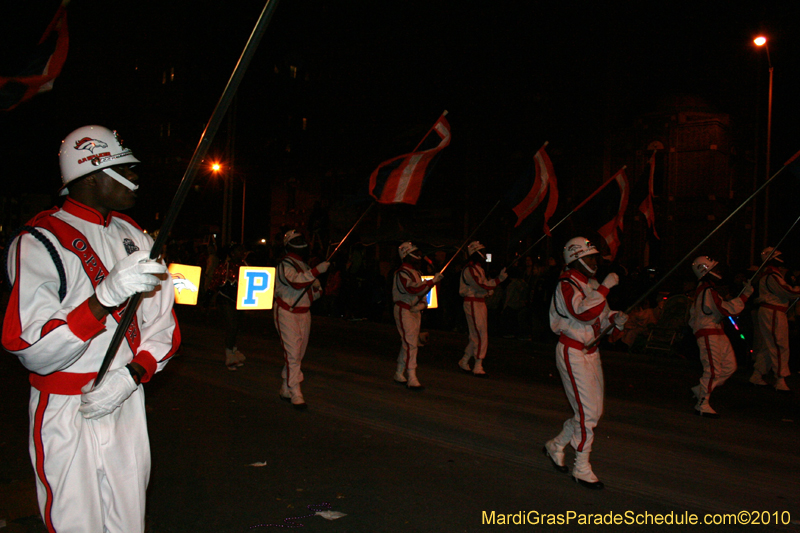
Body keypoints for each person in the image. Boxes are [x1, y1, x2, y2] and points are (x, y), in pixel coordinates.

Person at [2, 125, 180, 532]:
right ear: (94, 175)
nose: (137, 179)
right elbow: (29, 344)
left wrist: (134, 374)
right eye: (127, 169)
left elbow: (163, 326)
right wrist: (104, 297)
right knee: (74, 522)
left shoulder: (136, 236)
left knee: (128, 521)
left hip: (124, 398)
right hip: (66, 408)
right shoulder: (40, 240)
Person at [544, 237, 627, 490]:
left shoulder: (591, 284)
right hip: (572, 352)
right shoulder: (566, 284)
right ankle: (582, 466)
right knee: (588, 413)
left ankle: (557, 445)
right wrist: (605, 289)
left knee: (592, 412)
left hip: (591, 352)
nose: (594, 262)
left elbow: (598, 318)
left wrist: (615, 319)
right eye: (590, 258)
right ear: (575, 259)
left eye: (595, 257)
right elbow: (580, 312)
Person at [688, 256, 753, 418]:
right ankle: (702, 402)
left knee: (729, 366)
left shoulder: (708, 290)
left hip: (716, 331)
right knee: (713, 369)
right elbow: (725, 309)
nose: (718, 272)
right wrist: (744, 297)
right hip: (708, 332)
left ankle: (701, 390)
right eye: (714, 270)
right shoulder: (707, 291)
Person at [273, 230, 329, 408]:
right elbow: (295, 282)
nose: (302, 243)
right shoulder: (284, 265)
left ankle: (285, 386)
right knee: (292, 354)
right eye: (297, 240)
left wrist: (317, 288)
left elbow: (314, 290)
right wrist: (316, 271)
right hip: (287, 312)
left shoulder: (304, 265)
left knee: (297, 354)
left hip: (304, 313)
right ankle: (296, 391)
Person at [392, 242, 443, 390]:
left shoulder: (417, 273)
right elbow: (412, 289)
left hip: (413, 311)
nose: (420, 257)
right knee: (411, 344)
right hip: (404, 310)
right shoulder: (401, 273)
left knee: (410, 342)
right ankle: (411, 376)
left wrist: (422, 304)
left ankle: (399, 372)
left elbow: (421, 293)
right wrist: (432, 281)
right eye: (416, 254)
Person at [750, 247, 800, 391]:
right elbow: (787, 291)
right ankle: (780, 378)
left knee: (769, 345)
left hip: (773, 312)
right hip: (773, 312)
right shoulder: (772, 276)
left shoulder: (772, 275)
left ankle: (757, 374)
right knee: (779, 345)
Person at [458, 241, 507, 375]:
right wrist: (498, 280)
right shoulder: (469, 269)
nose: (485, 255)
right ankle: (478, 363)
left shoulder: (479, 269)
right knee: (479, 334)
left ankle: (465, 360)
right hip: (473, 303)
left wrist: (487, 290)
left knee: (477, 334)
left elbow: (483, 286)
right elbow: (481, 285)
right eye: (482, 252)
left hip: (479, 303)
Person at [208, 243, 248, 370]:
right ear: (232, 253)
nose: (242, 252)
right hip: (225, 299)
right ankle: (229, 354)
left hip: (240, 301)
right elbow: (214, 283)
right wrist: (206, 300)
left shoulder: (246, 266)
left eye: (242, 249)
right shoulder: (224, 266)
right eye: (239, 250)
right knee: (231, 326)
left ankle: (234, 349)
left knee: (237, 326)